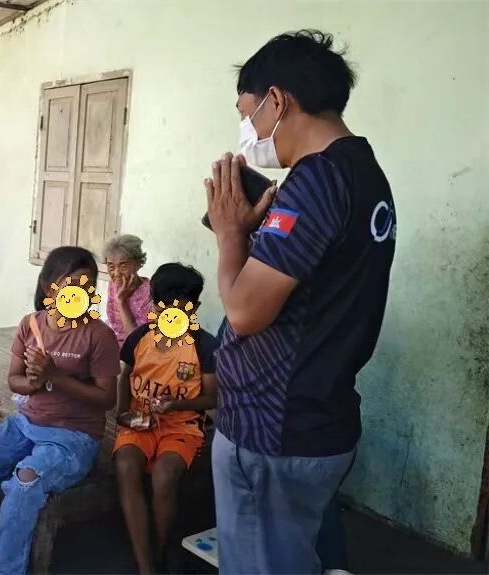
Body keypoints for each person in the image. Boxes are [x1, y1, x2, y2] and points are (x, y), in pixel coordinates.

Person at [204, 30, 395, 573]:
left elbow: (244, 311)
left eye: (248, 114)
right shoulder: (362, 171)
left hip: (273, 434)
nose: (248, 131)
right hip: (316, 420)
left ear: (278, 100)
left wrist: (229, 235)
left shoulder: (315, 180)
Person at [0, 246, 121, 575]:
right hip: (26, 423)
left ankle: (4, 570)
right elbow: (14, 380)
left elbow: (107, 399)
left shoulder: (99, 335)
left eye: (88, 286)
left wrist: (56, 377)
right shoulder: (31, 325)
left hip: (74, 437)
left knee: (24, 484)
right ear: (50, 288)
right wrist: (34, 382)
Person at [113, 263, 218, 574]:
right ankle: (146, 565)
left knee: (164, 474)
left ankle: (157, 552)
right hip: (139, 422)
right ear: (154, 307)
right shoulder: (140, 338)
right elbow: (125, 376)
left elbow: (213, 399)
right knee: (125, 465)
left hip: (181, 427)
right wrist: (122, 413)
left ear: (194, 308)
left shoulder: (204, 346)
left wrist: (177, 405)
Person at [103, 234, 153, 346]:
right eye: (111, 266)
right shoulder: (113, 285)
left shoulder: (150, 293)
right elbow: (112, 324)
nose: (116, 273)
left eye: (123, 266)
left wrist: (121, 301)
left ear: (138, 263)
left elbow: (136, 341)